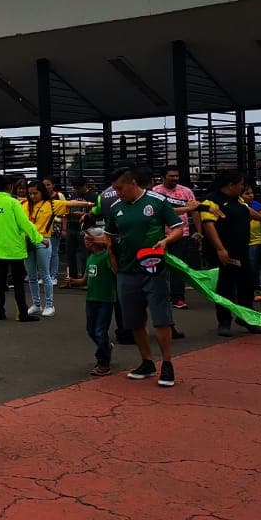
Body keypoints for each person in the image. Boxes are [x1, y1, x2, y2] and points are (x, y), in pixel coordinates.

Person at [103, 166, 182, 388]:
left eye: (120, 188)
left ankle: (167, 363)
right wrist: (111, 257)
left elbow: (177, 228)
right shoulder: (116, 208)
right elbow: (109, 235)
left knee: (161, 317)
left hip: (153, 269)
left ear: (133, 183)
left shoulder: (157, 201)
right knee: (134, 320)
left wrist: (166, 241)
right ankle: (147, 361)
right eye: (115, 189)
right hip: (126, 271)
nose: (118, 193)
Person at [199, 170, 261, 337]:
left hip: (241, 251)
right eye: (241, 184)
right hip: (222, 252)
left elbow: (248, 211)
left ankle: (246, 318)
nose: (242, 188)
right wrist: (220, 249)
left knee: (246, 285)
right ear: (231, 185)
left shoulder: (238, 200)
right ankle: (224, 321)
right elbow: (209, 226)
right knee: (224, 287)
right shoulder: (211, 201)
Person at [0, 175, 45, 322]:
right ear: (9, 187)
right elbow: (24, 223)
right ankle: (23, 313)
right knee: (18, 282)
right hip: (14, 249)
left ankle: (0, 312)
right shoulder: (13, 202)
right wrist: (39, 238)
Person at [22, 180, 92, 318]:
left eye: (35, 193)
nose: (32, 196)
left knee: (45, 274)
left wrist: (89, 204)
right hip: (27, 241)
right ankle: (36, 304)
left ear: (42, 192)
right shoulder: (24, 205)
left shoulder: (51, 204)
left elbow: (70, 203)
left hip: (43, 241)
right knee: (32, 276)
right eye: (30, 193)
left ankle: (49, 305)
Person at [66, 227, 117, 377]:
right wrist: (73, 281)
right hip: (91, 299)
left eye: (89, 239)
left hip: (105, 299)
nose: (86, 242)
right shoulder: (90, 258)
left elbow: (115, 270)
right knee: (91, 330)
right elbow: (85, 279)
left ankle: (103, 363)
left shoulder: (105, 256)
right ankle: (106, 347)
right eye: (85, 239)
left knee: (100, 331)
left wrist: (110, 251)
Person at [153, 166, 198, 310]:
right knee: (158, 267)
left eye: (176, 176)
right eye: (171, 176)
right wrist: (186, 208)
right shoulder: (155, 192)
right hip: (160, 234)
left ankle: (178, 298)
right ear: (163, 177)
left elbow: (195, 211)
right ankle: (159, 296)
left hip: (181, 233)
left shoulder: (186, 191)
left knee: (178, 267)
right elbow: (157, 212)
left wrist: (199, 232)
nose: (175, 178)